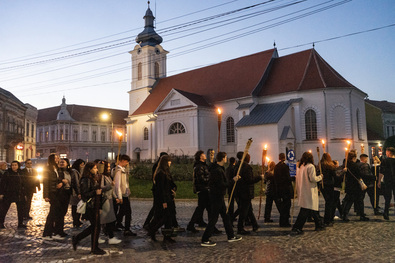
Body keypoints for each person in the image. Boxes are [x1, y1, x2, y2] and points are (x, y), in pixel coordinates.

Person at [201, 152, 242, 247]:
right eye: (225, 157)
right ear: (223, 158)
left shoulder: (218, 169)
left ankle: (231, 236)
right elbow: (221, 184)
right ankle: (205, 239)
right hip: (216, 196)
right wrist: (233, 180)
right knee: (214, 219)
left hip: (219, 196)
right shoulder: (217, 170)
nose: (226, 159)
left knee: (225, 216)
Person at [72, 162, 105, 255]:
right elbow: (85, 194)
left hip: (95, 205)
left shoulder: (93, 178)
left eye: (96, 168)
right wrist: (95, 192)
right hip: (90, 206)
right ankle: (94, 248)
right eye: (94, 168)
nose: (96, 170)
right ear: (89, 169)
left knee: (95, 227)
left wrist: (100, 206)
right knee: (96, 227)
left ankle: (78, 238)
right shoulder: (85, 179)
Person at [290, 152, 324, 235]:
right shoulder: (310, 166)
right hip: (309, 191)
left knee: (311, 209)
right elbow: (312, 179)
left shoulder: (300, 167)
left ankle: (318, 224)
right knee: (306, 210)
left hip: (303, 190)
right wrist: (320, 177)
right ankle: (297, 227)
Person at [147, 155, 177, 242]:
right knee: (163, 217)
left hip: (168, 197)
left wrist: (174, 189)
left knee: (168, 218)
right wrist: (164, 202)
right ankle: (152, 230)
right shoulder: (160, 173)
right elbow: (161, 189)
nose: (170, 163)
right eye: (169, 161)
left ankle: (167, 236)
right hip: (163, 199)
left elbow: (171, 184)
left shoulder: (166, 172)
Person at [235, 153, 263, 235]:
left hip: (239, 191)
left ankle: (255, 225)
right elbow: (250, 180)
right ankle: (240, 228)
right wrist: (259, 177)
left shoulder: (237, 165)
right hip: (246, 192)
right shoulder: (246, 167)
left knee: (249, 210)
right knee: (244, 211)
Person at [42, 154, 66, 240]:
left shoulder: (57, 169)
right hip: (52, 193)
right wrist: (46, 195)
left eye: (58, 158)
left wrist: (62, 183)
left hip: (58, 192)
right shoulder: (48, 169)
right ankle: (46, 233)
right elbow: (46, 182)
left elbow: (59, 179)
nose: (58, 159)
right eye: (56, 158)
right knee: (52, 213)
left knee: (58, 212)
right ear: (52, 159)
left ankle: (56, 232)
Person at [98, 161, 122, 245]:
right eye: (107, 167)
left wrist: (116, 197)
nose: (109, 168)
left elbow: (112, 189)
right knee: (107, 220)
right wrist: (110, 185)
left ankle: (109, 236)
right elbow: (101, 188)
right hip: (105, 200)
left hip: (110, 199)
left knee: (110, 220)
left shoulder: (108, 176)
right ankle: (108, 236)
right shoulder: (102, 177)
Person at [187, 150, 211, 233]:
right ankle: (191, 225)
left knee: (202, 207)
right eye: (203, 154)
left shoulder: (203, 165)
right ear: (200, 156)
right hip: (203, 189)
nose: (205, 155)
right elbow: (201, 179)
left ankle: (199, 222)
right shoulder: (199, 166)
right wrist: (210, 179)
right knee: (201, 208)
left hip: (204, 188)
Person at [342, 151, 369, 222]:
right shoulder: (355, 165)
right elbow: (359, 175)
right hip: (356, 186)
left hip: (349, 185)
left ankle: (345, 215)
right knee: (359, 201)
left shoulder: (346, 165)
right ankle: (361, 215)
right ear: (354, 157)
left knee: (349, 201)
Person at [143, 152, 168, 230]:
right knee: (156, 208)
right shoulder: (158, 167)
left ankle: (149, 224)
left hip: (157, 189)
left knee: (156, 208)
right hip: (158, 190)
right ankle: (150, 225)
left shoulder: (159, 165)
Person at [113, 154, 136, 236]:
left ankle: (118, 223)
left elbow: (124, 183)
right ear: (121, 161)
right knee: (128, 212)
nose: (127, 163)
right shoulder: (118, 171)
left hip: (124, 193)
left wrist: (127, 189)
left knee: (122, 211)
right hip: (122, 194)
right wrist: (120, 197)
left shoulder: (122, 170)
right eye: (126, 161)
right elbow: (117, 185)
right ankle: (127, 229)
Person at [0, 161, 26, 229]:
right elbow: (3, 184)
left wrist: (24, 193)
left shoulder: (20, 173)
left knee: (20, 210)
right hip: (8, 194)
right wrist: (2, 193)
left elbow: (23, 184)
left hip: (19, 194)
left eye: (15, 165)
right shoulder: (7, 173)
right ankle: (1, 223)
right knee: (4, 209)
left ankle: (20, 223)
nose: (14, 166)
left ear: (18, 166)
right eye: (13, 165)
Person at [273, 153, 293, 227]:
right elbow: (287, 178)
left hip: (279, 188)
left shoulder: (276, 167)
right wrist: (292, 179)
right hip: (285, 189)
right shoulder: (285, 167)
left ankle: (282, 222)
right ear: (284, 158)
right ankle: (285, 222)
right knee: (287, 206)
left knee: (283, 206)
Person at [320, 153, 338, 227]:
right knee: (329, 203)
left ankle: (327, 219)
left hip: (322, 185)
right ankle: (327, 220)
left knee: (328, 202)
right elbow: (335, 176)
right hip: (329, 185)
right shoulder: (330, 166)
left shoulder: (320, 165)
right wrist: (343, 172)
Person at [379, 147, 395, 220]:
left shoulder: (385, 160)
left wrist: (379, 181)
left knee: (388, 198)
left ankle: (386, 213)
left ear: (389, 152)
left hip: (388, 180)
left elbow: (381, 172)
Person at [70, 159, 84, 228]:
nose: (82, 166)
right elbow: (76, 182)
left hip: (77, 191)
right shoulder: (74, 171)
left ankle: (77, 220)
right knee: (75, 207)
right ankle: (75, 221)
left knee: (78, 206)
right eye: (82, 164)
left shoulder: (78, 171)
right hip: (75, 192)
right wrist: (78, 192)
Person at [225, 157, 237, 222]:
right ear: (234, 161)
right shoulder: (233, 169)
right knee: (236, 202)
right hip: (233, 186)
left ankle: (230, 215)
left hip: (229, 187)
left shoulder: (227, 169)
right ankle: (232, 216)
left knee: (230, 202)